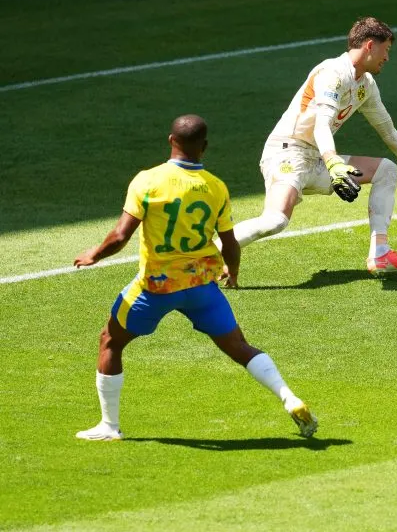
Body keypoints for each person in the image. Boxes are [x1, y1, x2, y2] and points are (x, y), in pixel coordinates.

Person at [73, 115, 317, 440]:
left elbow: (119, 236)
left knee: (111, 340)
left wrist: (94, 254)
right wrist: (233, 271)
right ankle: (288, 396)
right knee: (238, 346)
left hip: (157, 288)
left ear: (171, 140)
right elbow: (230, 243)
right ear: (205, 147)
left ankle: (109, 426)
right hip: (203, 286)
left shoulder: (148, 181)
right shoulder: (216, 187)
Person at [227, 16, 397, 277]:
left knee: (386, 170)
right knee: (275, 221)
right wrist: (334, 163)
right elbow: (321, 124)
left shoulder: (365, 84)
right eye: (386, 50)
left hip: (316, 158)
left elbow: (388, 131)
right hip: (287, 154)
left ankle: (380, 254)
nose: (387, 58)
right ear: (370, 45)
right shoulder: (332, 73)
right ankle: (205, 254)